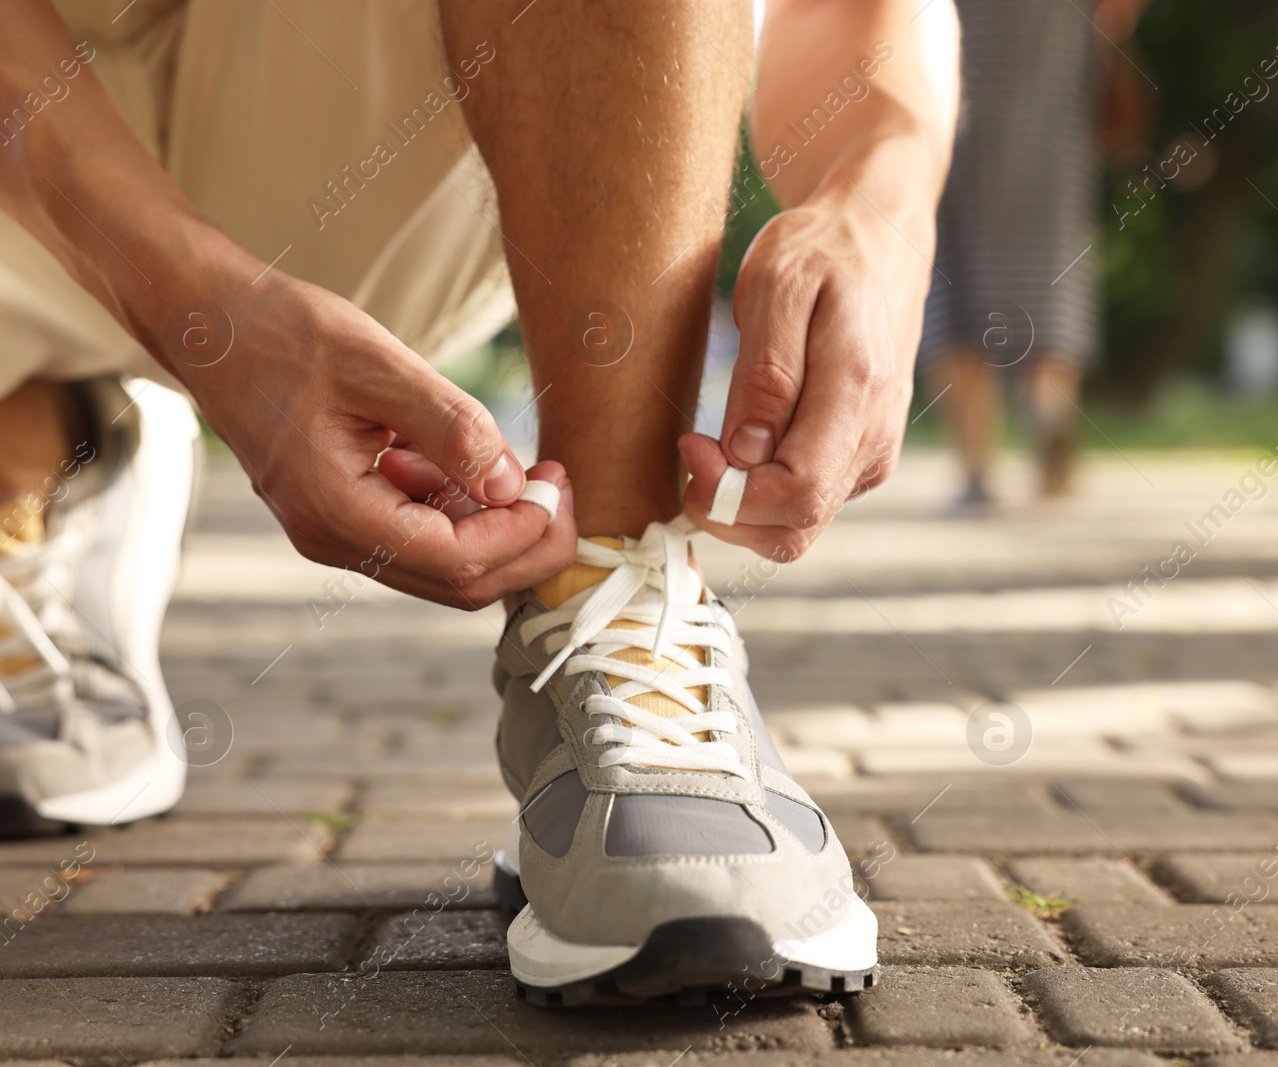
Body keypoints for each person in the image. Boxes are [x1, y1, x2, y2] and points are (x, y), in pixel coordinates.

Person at [0, 0, 958, 1004]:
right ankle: (40, 454)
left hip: (340, 127)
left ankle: (609, 573)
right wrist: (193, 305)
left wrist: (882, 196)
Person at [920, 0, 1146, 508]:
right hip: (1053, 108)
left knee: (953, 278)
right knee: (1050, 275)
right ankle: (1048, 411)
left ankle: (977, 469)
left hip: (959, 96)